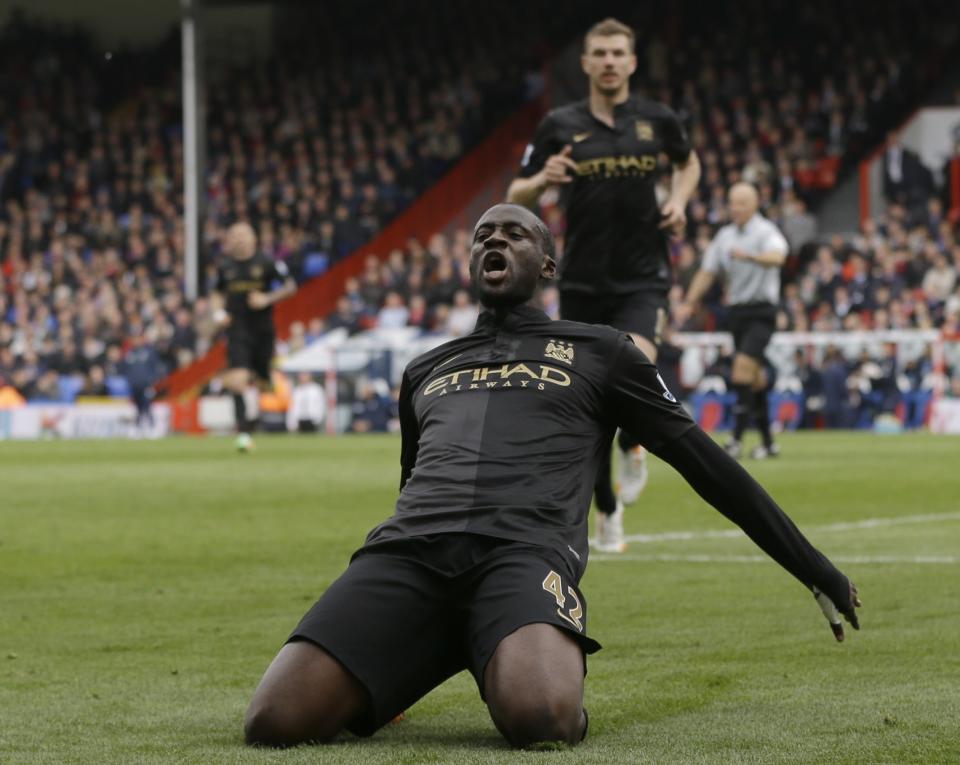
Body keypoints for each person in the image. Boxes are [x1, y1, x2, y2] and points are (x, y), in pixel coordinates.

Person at [244, 204, 861, 750]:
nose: (495, 242)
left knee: (542, 720)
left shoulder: (603, 351)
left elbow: (708, 465)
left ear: (547, 265)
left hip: (522, 557)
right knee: (273, 722)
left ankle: (504, 645)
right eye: (484, 235)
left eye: (515, 234)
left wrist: (813, 567)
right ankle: (433, 650)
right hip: (408, 556)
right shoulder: (426, 368)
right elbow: (411, 485)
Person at [506, 17, 701, 553]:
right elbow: (515, 193)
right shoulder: (558, 125)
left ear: (633, 62)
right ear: (586, 62)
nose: (611, 61)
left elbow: (690, 165)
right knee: (587, 405)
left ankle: (634, 443)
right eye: (601, 53)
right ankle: (608, 510)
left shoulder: (658, 120)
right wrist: (544, 179)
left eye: (619, 53)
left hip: (644, 275)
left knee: (634, 361)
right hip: (582, 280)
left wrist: (680, 201)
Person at [677, 183, 788, 459]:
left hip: (762, 311)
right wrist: (689, 302)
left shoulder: (766, 232)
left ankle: (736, 439)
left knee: (741, 372)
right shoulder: (725, 236)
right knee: (756, 378)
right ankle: (768, 443)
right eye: (732, 202)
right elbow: (707, 271)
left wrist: (749, 256)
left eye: (741, 203)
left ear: (754, 204)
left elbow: (778, 256)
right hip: (737, 313)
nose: (735, 208)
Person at [212, 222, 297, 452]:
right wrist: (218, 313)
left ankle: (253, 423)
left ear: (253, 238)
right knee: (237, 380)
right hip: (237, 330)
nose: (239, 239)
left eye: (243, 235)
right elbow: (217, 293)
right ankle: (243, 434)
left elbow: (290, 286)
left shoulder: (267, 262)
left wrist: (266, 299)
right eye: (234, 235)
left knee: (263, 384)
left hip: (263, 330)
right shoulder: (225, 265)